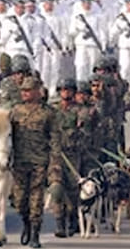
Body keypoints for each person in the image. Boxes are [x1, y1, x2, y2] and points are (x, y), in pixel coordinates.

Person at [9, 76, 59, 248]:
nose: (24, 93)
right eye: (23, 90)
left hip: (40, 162)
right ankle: (27, 225)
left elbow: (54, 140)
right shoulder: (15, 111)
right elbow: (7, 136)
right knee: (19, 202)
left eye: (28, 90)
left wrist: (55, 164)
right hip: (20, 163)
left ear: (38, 92)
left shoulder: (48, 113)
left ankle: (35, 236)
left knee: (36, 200)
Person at [51, 78, 85, 237]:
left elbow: (87, 124)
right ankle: (59, 224)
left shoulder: (80, 111)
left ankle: (72, 220)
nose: (66, 92)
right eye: (63, 89)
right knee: (56, 189)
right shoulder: (52, 110)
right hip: (56, 157)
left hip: (72, 156)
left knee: (72, 191)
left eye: (69, 90)